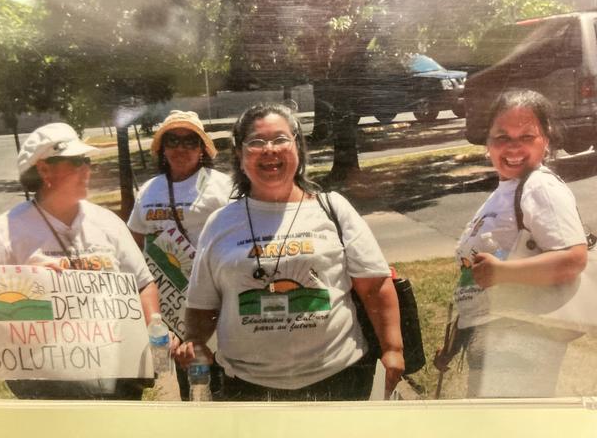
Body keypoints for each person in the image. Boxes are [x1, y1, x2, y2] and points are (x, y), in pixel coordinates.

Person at [175, 103, 404, 401]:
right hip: (247, 388)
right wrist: (195, 341)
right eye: (256, 142)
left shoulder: (333, 208)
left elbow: (375, 286)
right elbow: (202, 304)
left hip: (339, 379)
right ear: (240, 155)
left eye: (281, 139)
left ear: (298, 146)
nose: (269, 149)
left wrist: (393, 349)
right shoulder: (220, 222)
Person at [0, 122, 162, 400]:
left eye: (87, 160)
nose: (87, 169)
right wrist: (22, 280)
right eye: (76, 161)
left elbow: (143, 284)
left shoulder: (107, 223)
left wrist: (154, 327)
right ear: (44, 170)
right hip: (47, 385)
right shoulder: (7, 230)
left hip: (117, 377)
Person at [434, 90, 588, 398]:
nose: (513, 146)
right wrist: (455, 343)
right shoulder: (506, 189)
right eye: (501, 136)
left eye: (526, 136)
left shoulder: (540, 187)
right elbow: (474, 276)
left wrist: (504, 273)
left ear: (546, 139)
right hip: (494, 334)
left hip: (520, 340)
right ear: (488, 143)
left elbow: (572, 259)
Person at [127, 110, 232, 400]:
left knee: (222, 379)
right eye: (173, 140)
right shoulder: (149, 190)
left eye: (190, 141)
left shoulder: (223, 186)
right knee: (191, 384)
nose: (181, 148)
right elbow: (132, 245)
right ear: (162, 148)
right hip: (172, 306)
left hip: (216, 301)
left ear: (202, 149)